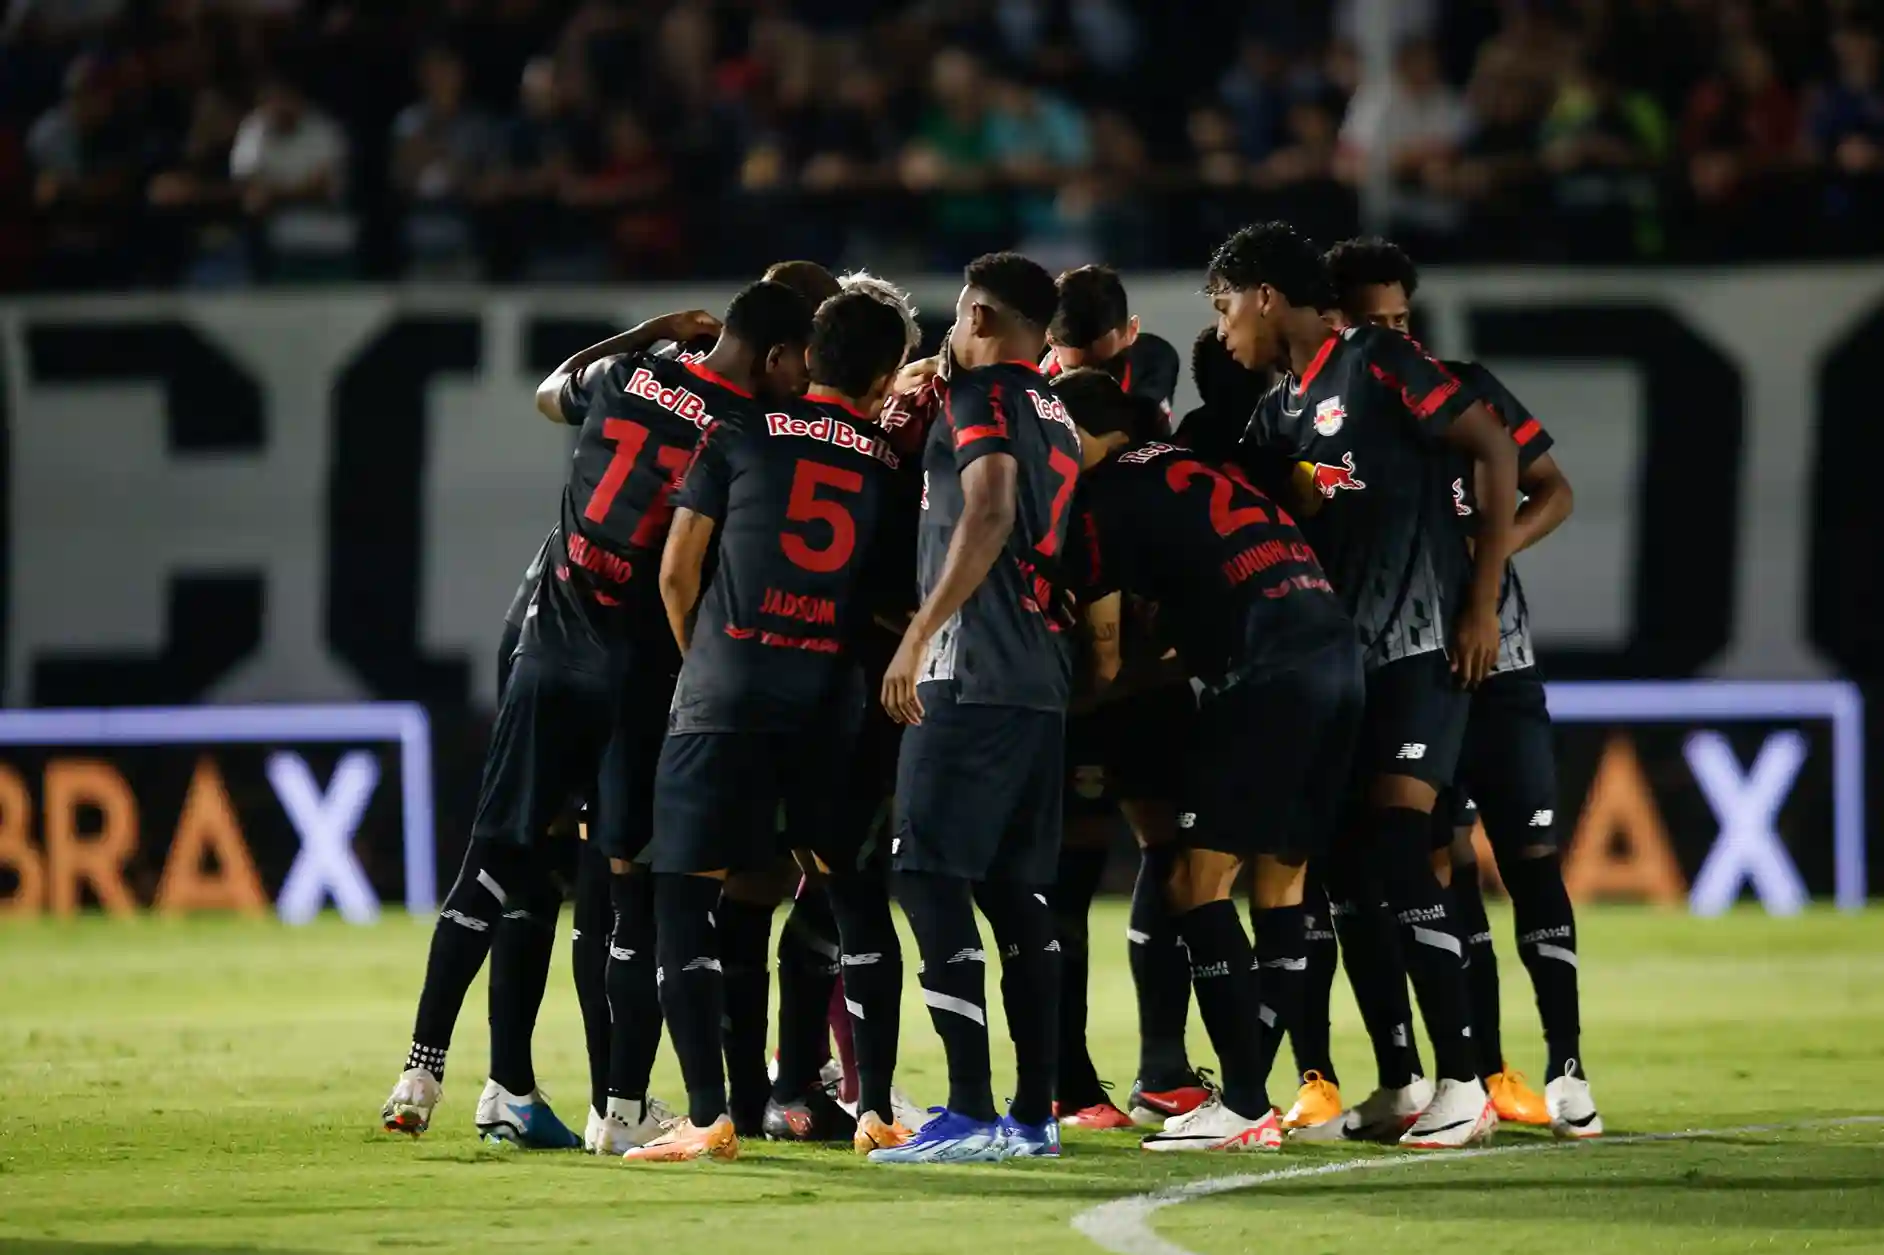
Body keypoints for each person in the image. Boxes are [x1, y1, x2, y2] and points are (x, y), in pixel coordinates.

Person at [378, 282, 812, 1151]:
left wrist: (651, 329)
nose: (804, 380)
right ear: (773, 357)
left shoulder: (628, 375)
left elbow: (549, 393)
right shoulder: (746, 437)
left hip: (547, 650)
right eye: (801, 363)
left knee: (494, 859)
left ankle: (421, 1071)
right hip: (641, 675)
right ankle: (619, 1109)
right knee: (630, 887)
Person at [1213, 221, 1518, 1149]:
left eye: (1226, 306)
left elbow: (1496, 450)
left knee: (1397, 848)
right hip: (1344, 667)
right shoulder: (1278, 412)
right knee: (1349, 871)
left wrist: (1480, 601)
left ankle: (1467, 1081)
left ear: (1265, 294)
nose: (1224, 330)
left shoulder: (1380, 359)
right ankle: (1400, 1079)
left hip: (1424, 647)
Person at [1322, 238, 1600, 1139]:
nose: (1391, 335)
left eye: (1401, 319)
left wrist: (1486, 558)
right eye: (1374, 321)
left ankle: (1567, 1068)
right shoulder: (1344, 408)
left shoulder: (1461, 386)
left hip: (1497, 656)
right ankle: (1468, 1071)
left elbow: (1551, 490)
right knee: (1430, 864)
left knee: (1529, 861)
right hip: (1413, 665)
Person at [623, 292, 909, 1164]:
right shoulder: (889, 466)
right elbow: (893, 601)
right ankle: (876, 1113)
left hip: (725, 696)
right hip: (826, 706)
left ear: (809, 356)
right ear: (886, 376)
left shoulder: (741, 433)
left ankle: (709, 1116)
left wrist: (702, 664)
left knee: (685, 896)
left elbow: (678, 571)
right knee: (855, 901)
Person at [1054, 370, 1364, 1153]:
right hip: (1335, 650)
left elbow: (1105, 659)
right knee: (1283, 880)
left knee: (1196, 880)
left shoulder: (1100, 499)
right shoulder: (1194, 465)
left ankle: (1247, 1103)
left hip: (1265, 672)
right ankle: (1258, 1096)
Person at [870, 253, 1082, 1163]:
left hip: (972, 671)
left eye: (958, 316)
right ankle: (1033, 1113)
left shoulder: (984, 396)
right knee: (1014, 892)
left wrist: (918, 635)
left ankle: (966, 1107)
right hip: (1038, 679)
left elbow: (989, 512)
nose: (951, 333)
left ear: (985, 318)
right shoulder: (1057, 412)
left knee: (925, 875)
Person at [1038, 266, 1203, 1132]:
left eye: (1087, 359)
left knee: (1167, 850)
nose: (1071, 375)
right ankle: (1071, 1082)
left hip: (1147, 662)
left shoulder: (1149, 371)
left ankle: (1164, 1069)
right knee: (1069, 866)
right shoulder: (1029, 390)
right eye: (1062, 358)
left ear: (1125, 339)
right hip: (1077, 662)